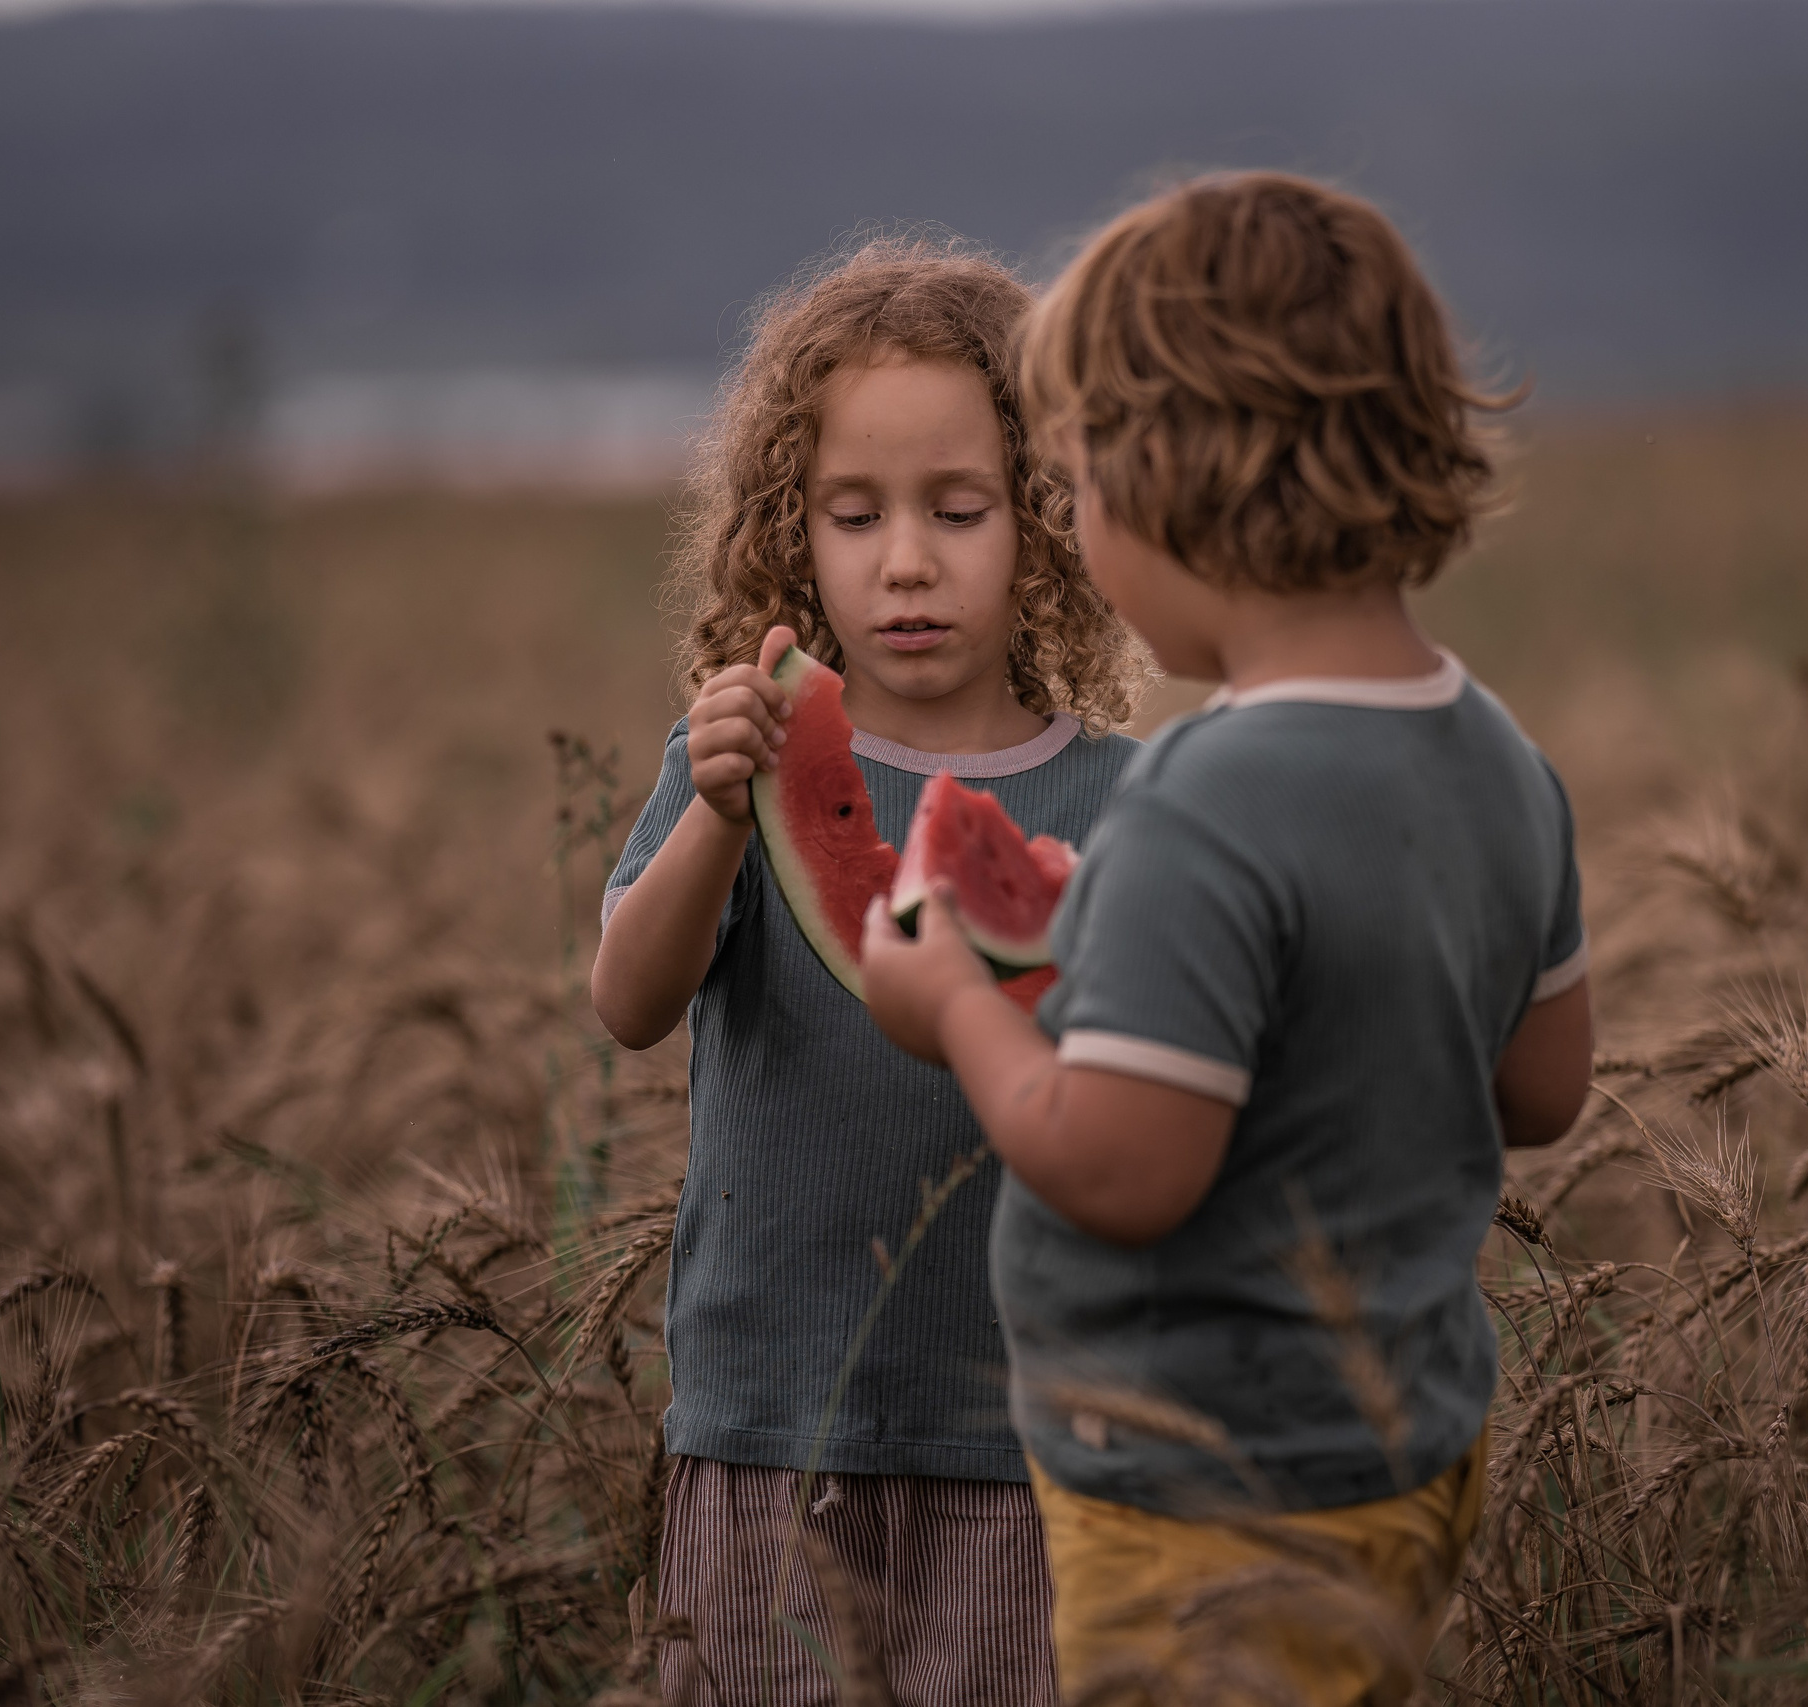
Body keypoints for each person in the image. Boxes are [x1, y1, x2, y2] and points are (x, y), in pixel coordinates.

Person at [861, 174, 1595, 1705]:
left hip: (1202, 1492)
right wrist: (1133, 958)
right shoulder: (1501, 757)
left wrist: (956, 1004)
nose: (1071, 523)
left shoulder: (1206, 794)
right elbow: (1541, 1090)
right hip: (1402, 1459)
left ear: (1165, 481)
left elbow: (1125, 1170)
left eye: (1072, 484)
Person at [590, 237, 1148, 1707]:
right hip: (772, 1432)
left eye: (958, 509)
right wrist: (720, 818)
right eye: (853, 514)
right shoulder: (739, 762)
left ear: (1042, 518)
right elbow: (627, 1002)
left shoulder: (1130, 800)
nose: (906, 558)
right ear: (792, 531)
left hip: (1034, 1448)